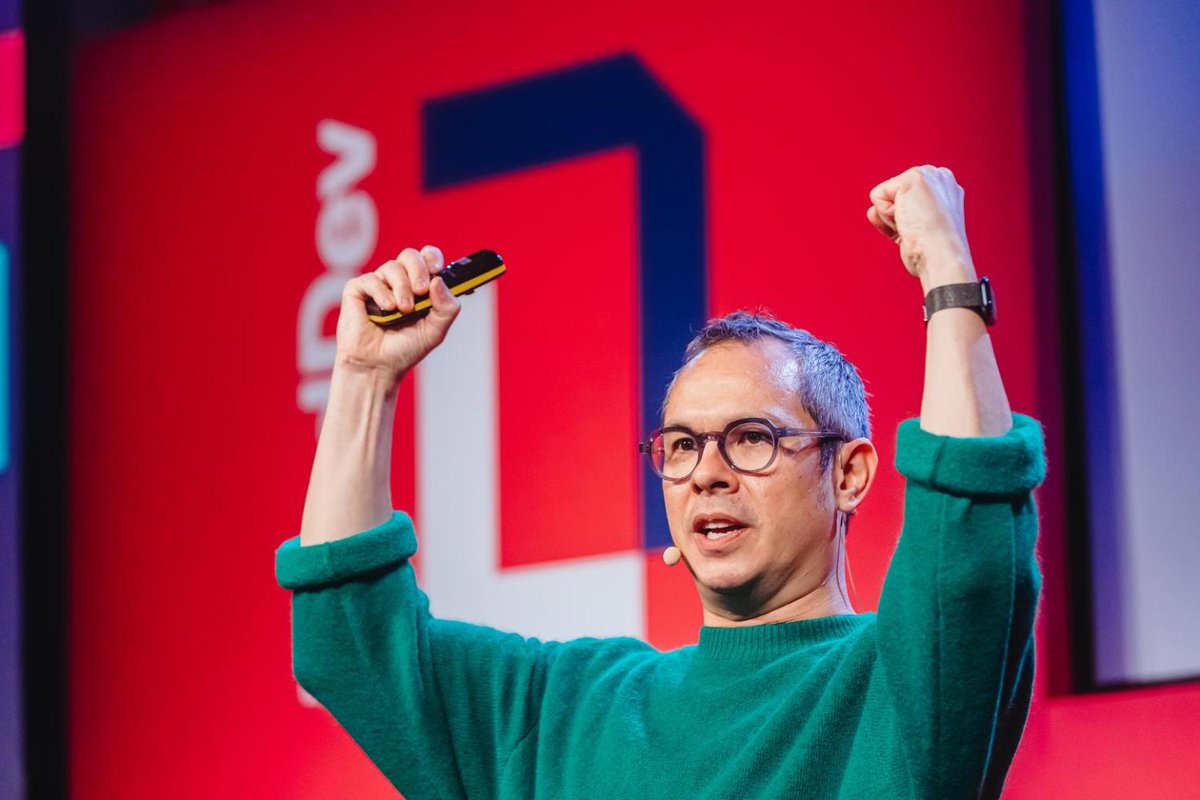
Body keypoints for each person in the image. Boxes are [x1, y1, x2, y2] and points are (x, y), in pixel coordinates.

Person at [276, 165, 1044, 799]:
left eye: (752, 439)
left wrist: (949, 278)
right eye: (680, 446)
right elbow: (347, 639)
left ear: (848, 473)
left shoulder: (901, 687)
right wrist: (362, 377)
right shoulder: (566, 707)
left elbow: (969, 544)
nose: (706, 472)